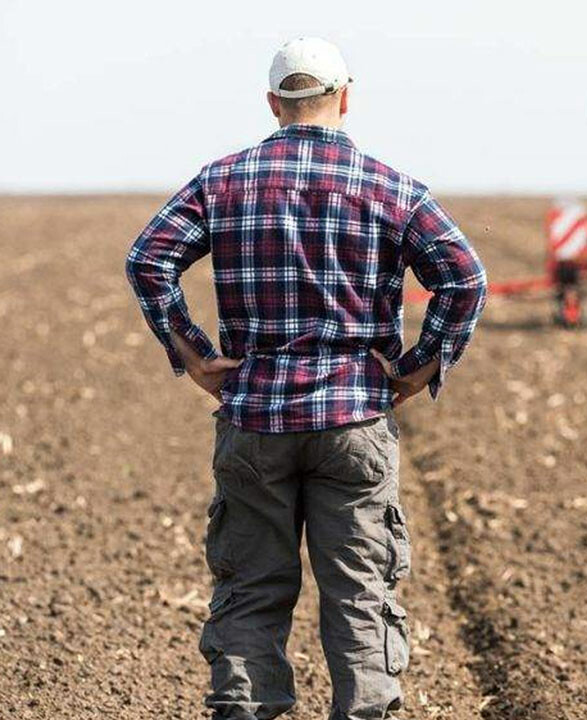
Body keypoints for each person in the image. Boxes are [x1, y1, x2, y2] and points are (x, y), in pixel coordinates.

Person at [124, 37, 487, 720]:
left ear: (273, 104)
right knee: (360, 596)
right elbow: (464, 277)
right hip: (353, 422)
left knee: (251, 591)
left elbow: (148, 259)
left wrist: (196, 356)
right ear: (347, 97)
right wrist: (421, 366)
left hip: (255, 420)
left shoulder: (221, 181)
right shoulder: (393, 188)